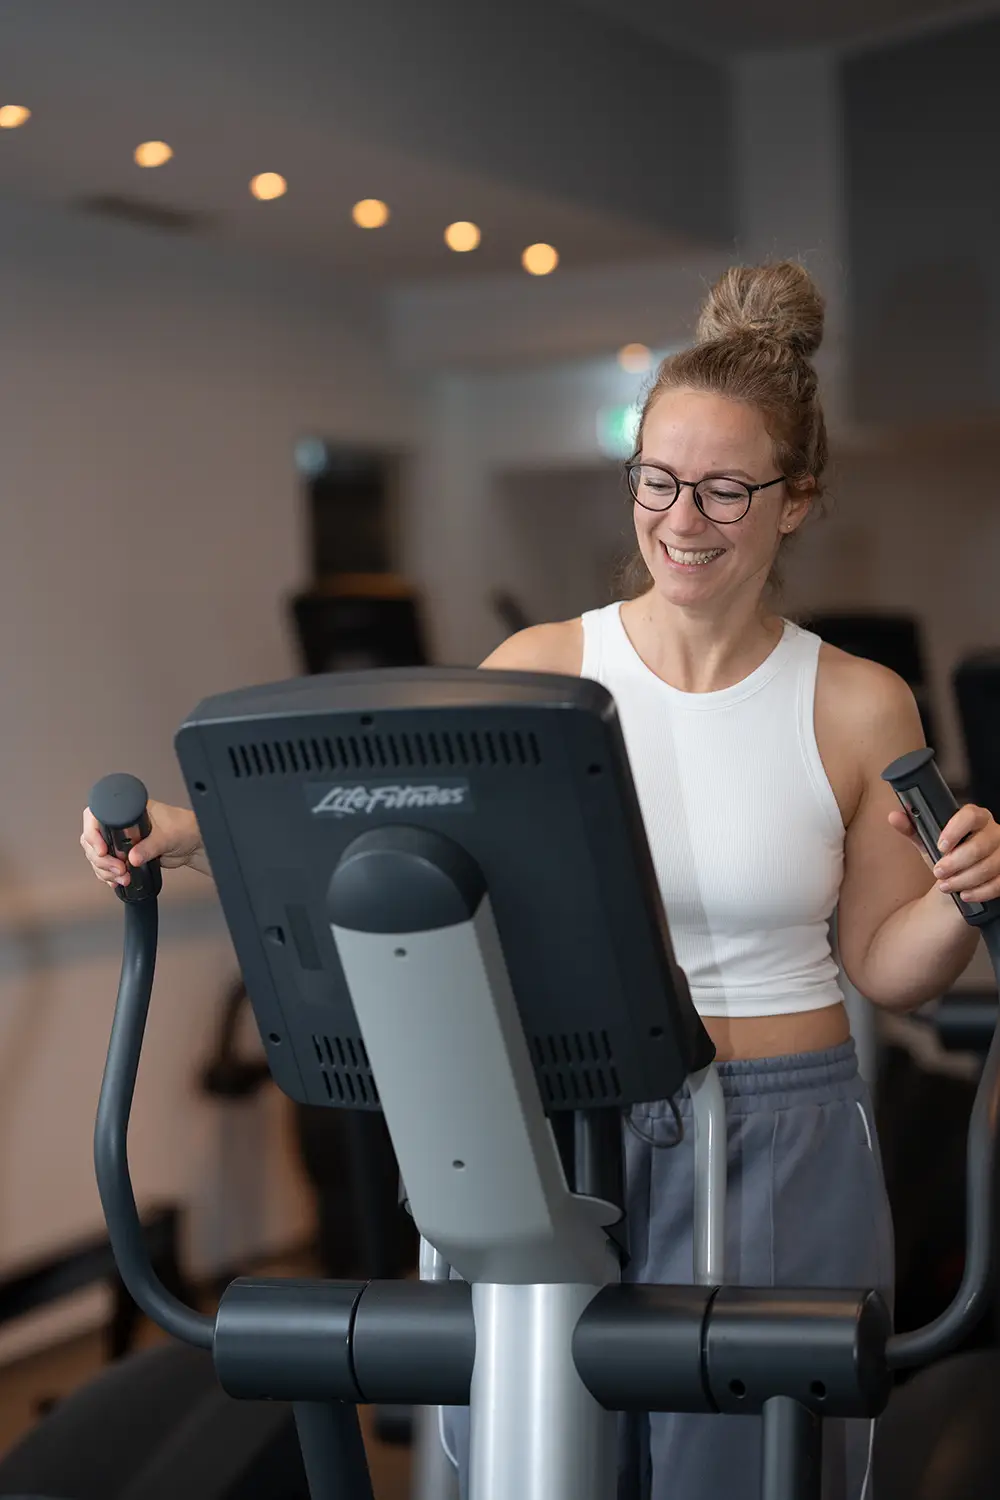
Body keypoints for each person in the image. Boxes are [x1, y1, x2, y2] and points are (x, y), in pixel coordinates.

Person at [81, 261, 1000, 1500]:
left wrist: (957, 894)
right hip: (552, 1136)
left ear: (796, 502)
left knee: (753, 1475)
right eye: (658, 483)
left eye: (727, 489)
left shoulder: (854, 699)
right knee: (530, 1467)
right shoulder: (539, 666)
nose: (683, 520)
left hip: (777, 1132)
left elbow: (884, 967)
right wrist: (192, 835)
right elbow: (390, 836)